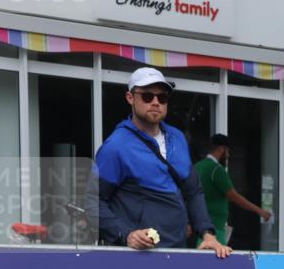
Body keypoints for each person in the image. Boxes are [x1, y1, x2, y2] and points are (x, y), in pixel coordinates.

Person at [87, 67, 230, 258]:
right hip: (137, 256)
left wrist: (207, 234)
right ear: (130, 98)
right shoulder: (116, 147)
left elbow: (193, 191)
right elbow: (93, 202)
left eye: (162, 98)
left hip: (177, 250)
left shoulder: (178, 138)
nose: (155, 102)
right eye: (147, 96)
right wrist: (125, 234)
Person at [194, 133, 272, 245]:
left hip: (200, 227)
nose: (228, 156)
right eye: (228, 152)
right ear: (222, 149)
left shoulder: (197, 167)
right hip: (215, 229)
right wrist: (260, 211)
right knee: (217, 260)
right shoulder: (217, 170)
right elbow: (234, 197)